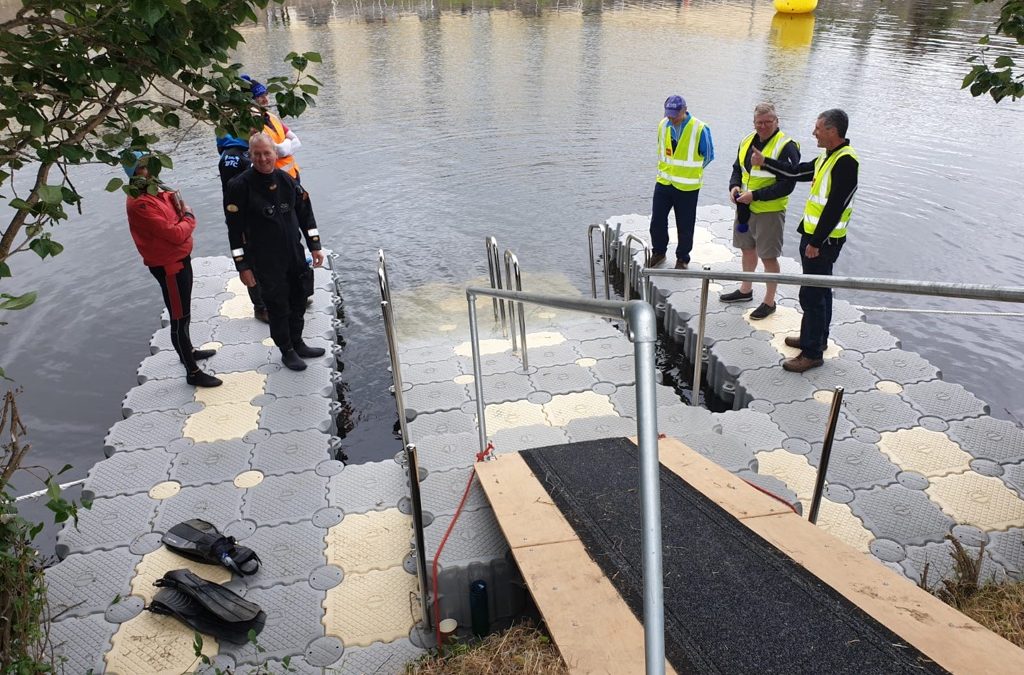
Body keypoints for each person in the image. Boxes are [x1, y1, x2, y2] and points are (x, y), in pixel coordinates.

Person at [753, 108, 859, 373]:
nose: (814, 133)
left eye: (818, 128)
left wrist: (816, 241)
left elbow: (835, 206)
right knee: (820, 291)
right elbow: (797, 172)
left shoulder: (846, 161)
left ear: (832, 132)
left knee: (812, 294)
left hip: (823, 242)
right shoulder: (828, 156)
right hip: (816, 237)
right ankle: (816, 338)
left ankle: (811, 353)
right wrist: (766, 161)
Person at [224, 133, 325, 371]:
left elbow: (305, 214)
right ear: (250, 155)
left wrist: (315, 245)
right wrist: (243, 266)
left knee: (299, 298)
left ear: (275, 153)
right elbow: (234, 231)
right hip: (266, 259)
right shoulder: (239, 187)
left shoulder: (287, 181)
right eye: (256, 154)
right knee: (278, 306)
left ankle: (298, 342)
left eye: (267, 153)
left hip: (294, 253)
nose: (262, 159)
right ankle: (286, 349)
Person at [125, 153, 222, 387]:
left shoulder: (156, 191)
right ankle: (192, 372)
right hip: (169, 265)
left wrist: (183, 219)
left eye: (150, 165)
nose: (149, 170)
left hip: (179, 257)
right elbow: (175, 232)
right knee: (179, 317)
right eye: (142, 167)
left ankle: (187, 351)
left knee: (184, 313)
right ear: (133, 172)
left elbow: (177, 216)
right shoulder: (141, 202)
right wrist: (189, 216)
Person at [720, 102, 800, 320]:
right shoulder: (747, 140)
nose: (763, 126)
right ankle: (745, 290)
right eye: (759, 122)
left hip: (769, 211)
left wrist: (755, 196)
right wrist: (734, 186)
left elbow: (788, 184)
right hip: (745, 207)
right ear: (753, 122)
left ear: (777, 121)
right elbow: (738, 168)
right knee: (746, 249)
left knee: (769, 257)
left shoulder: (786, 146)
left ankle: (769, 301)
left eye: (768, 122)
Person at [648, 94, 715, 270]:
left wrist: (691, 172)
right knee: (657, 220)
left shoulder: (699, 128)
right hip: (664, 182)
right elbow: (661, 150)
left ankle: (682, 258)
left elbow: (708, 156)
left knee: (685, 225)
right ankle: (659, 252)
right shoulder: (663, 124)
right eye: (668, 113)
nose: (671, 118)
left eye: (674, 114)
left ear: (684, 110)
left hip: (687, 186)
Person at [216, 133, 269, 324]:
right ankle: (260, 307)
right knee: (252, 263)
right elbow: (234, 189)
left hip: (263, 215)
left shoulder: (247, 149)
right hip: (245, 219)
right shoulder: (232, 155)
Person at [241, 75, 302, 181]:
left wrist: (284, 146)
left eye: (266, 94)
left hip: (293, 175)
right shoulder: (253, 125)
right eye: (260, 96)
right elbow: (281, 150)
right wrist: (288, 142)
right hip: (275, 179)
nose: (265, 99)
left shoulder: (272, 117)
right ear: (251, 100)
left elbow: (298, 142)